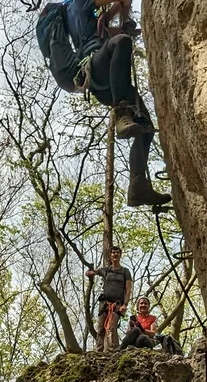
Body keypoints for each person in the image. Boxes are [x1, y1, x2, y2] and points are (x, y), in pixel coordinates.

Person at [39, 0, 172, 207]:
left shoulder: (83, 20)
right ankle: (122, 114)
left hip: (107, 82)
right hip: (96, 68)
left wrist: (121, 23)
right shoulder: (79, 3)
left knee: (145, 127)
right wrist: (116, 11)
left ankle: (137, 186)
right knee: (121, 42)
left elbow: (110, 31)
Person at [86, 245, 132, 351]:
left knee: (111, 327)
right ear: (110, 255)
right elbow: (92, 272)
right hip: (104, 303)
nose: (115, 254)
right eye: (113, 252)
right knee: (101, 328)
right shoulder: (105, 270)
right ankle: (99, 350)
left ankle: (113, 350)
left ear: (120, 255)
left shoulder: (125, 271)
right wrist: (89, 273)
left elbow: (128, 289)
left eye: (117, 252)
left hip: (117, 305)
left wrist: (125, 304)